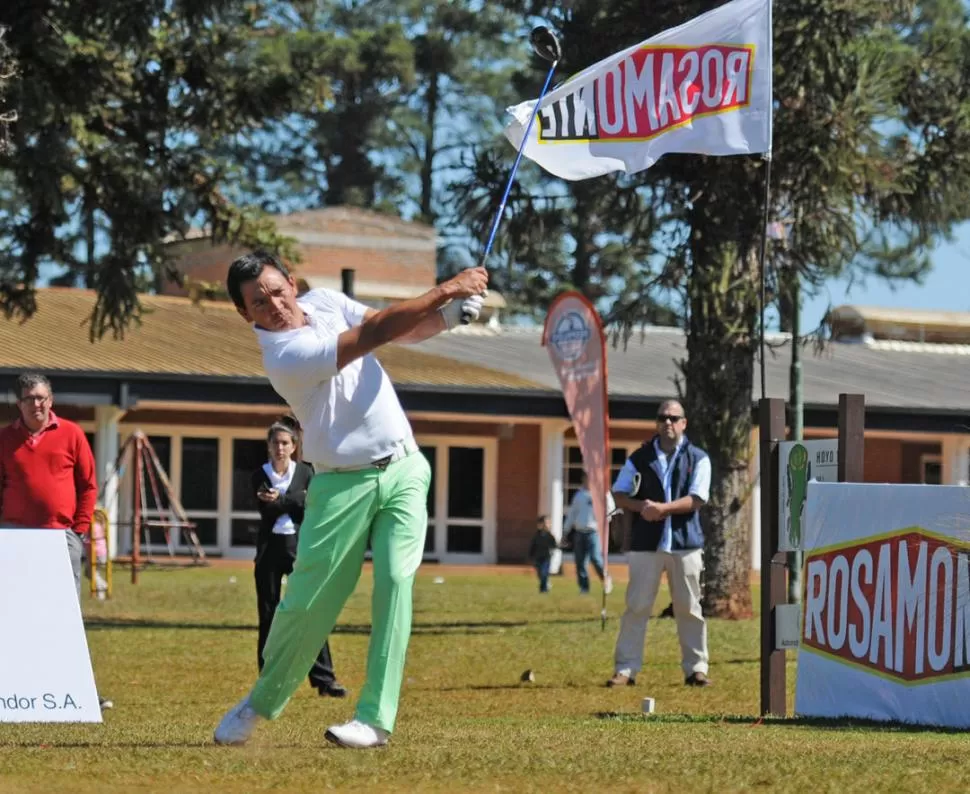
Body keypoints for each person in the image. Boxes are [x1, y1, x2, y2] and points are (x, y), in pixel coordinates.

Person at [214, 250, 487, 749]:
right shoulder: (283, 357)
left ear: (291, 284)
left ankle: (374, 720)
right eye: (258, 301)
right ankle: (260, 701)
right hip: (341, 484)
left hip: (405, 468)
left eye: (276, 290)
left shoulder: (325, 301)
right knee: (308, 602)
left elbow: (401, 331)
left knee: (396, 583)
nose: (272, 304)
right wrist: (448, 289)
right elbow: (375, 333)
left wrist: (446, 319)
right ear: (244, 313)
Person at [0, 373, 112, 709]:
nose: (37, 404)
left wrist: (78, 529)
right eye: (30, 398)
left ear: (51, 400)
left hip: (61, 536)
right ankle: (15, 688)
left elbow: (89, 485)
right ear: (18, 403)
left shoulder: (72, 434)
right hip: (14, 537)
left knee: (66, 616)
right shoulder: (4, 439)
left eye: (42, 397)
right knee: (14, 615)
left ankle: (79, 691)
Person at [607, 399, 712, 688]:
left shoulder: (698, 458)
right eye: (663, 417)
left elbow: (698, 498)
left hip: (685, 543)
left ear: (684, 423)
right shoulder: (639, 457)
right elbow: (618, 494)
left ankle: (696, 669)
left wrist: (663, 509)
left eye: (674, 418)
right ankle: (625, 669)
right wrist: (642, 507)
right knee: (637, 606)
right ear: (657, 422)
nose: (668, 422)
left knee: (689, 608)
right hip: (646, 544)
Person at [253, 416, 346, 698]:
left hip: (299, 548)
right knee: (268, 615)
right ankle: (269, 680)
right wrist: (293, 500)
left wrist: (281, 501)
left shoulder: (306, 473)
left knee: (310, 611)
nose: (280, 448)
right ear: (269, 447)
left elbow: (308, 507)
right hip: (269, 551)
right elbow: (266, 511)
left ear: (294, 446)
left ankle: (325, 680)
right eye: (275, 443)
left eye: (285, 443)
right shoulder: (259, 474)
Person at [562, 472, 614, 595]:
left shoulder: (602, 494)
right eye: (586, 479)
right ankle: (584, 587)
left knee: (596, 558)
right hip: (579, 531)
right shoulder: (579, 495)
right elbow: (572, 513)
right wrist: (566, 530)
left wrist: (605, 520)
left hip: (593, 532)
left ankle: (606, 579)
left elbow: (611, 510)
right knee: (580, 561)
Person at [528, 515, 558, 593]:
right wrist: (531, 556)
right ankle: (546, 583)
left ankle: (543, 590)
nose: (546, 525)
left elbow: (554, 545)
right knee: (540, 574)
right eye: (544, 523)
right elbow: (533, 546)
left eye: (548, 523)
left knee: (544, 573)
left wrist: (556, 548)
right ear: (540, 525)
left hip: (546, 558)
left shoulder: (550, 536)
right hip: (538, 557)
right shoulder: (537, 535)